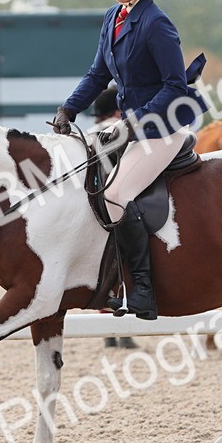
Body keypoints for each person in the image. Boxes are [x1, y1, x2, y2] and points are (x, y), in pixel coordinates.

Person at [51, 0, 207, 320]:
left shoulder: (157, 25)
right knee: (87, 183)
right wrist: (69, 108)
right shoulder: (114, 18)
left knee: (115, 196)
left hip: (163, 128)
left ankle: (141, 288)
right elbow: (98, 73)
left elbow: (175, 86)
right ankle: (107, 277)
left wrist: (136, 121)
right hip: (131, 127)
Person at [87, 87, 140, 349]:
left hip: (91, 209)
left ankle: (108, 331)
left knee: (106, 269)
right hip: (121, 205)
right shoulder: (120, 130)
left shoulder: (90, 136)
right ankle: (123, 330)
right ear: (119, 110)